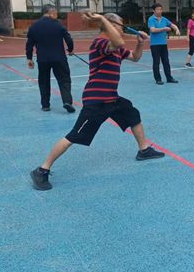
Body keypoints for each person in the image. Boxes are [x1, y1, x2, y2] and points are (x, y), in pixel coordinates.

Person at [29, 12, 165, 191]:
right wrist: (101, 19)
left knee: (133, 114)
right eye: (120, 25)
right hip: (96, 101)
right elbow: (118, 43)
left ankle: (144, 150)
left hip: (111, 98)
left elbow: (135, 56)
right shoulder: (100, 43)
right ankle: (42, 170)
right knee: (73, 136)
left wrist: (140, 43)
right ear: (111, 25)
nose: (123, 28)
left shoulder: (115, 46)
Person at [25, 6, 75, 113]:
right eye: (56, 13)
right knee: (64, 79)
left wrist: (29, 58)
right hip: (59, 58)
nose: (56, 16)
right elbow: (68, 39)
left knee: (44, 81)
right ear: (51, 13)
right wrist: (70, 49)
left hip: (42, 59)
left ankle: (45, 105)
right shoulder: (58, 24)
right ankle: (67, 101)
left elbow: (29, 44)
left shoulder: (34, 26)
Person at [148, 3, 180, 85]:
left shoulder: (164, 19)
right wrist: (164, 29)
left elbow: (172, 25)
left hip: (163, 44)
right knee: (156, 62)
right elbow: (152, 30)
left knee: (166, 61)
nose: (159, 11)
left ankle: (169, 78)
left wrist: (176, 29)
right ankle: (158, 79)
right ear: (154, 10)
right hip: (155, 44)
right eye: (157, 9)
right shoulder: (151, 19)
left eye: (160, 9)